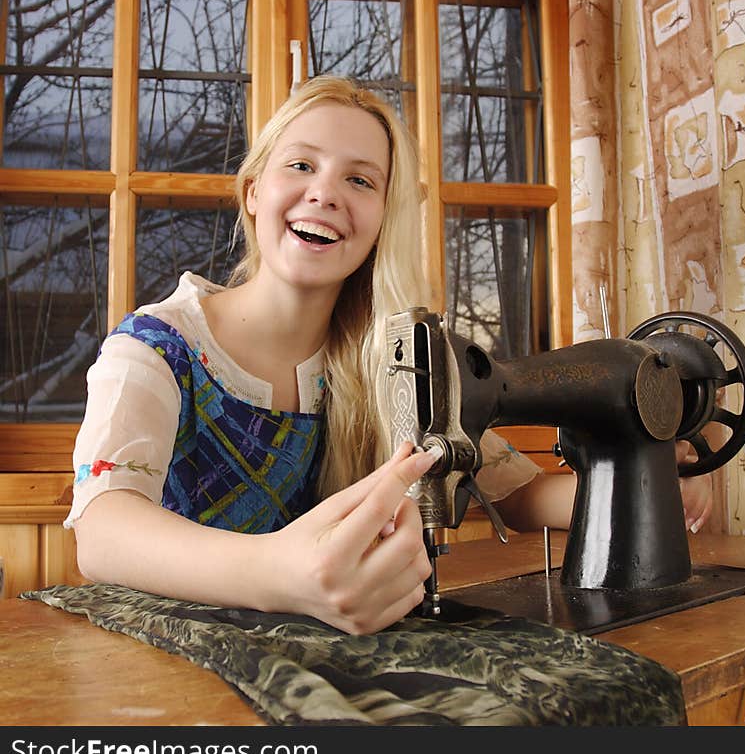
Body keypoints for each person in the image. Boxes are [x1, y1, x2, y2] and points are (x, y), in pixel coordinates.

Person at [68, 75, 712, 636]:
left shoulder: (394, 363)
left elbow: (516, 495)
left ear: (382, 218)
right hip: (160, 674)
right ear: (253, 192)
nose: (325, 192)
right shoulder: (156, 349)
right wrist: (278, 573)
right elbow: (103, 529)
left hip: (310, 675)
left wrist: (644, 477)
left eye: (359, 179)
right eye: (300, 165)